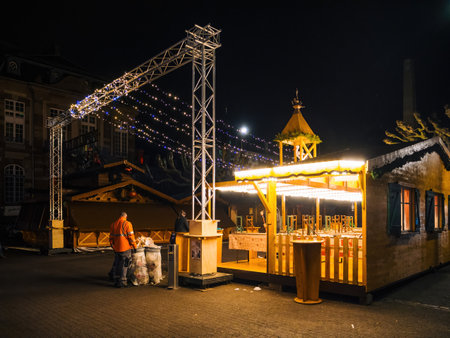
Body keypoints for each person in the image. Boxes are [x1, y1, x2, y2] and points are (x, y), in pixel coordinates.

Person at [109, 212, 137, 288]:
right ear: (126, 217)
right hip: (125, 248)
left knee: (117, 264)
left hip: (116, 248)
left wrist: (114, 247)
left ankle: (116, 280)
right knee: (125, 264)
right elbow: (131, 237)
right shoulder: (127, 224)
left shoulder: (113, 224)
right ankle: (122, 282)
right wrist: (135, 246)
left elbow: (111, 238)